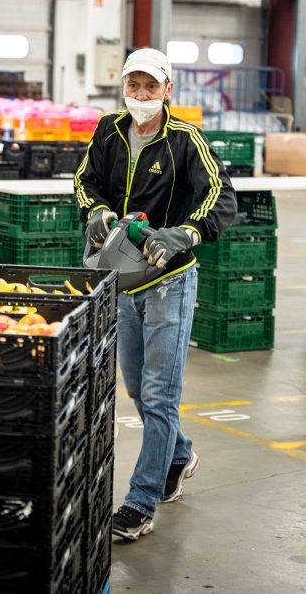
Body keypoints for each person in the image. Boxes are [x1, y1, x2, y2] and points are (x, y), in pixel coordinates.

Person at [74, 48, 237, 541]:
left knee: (160, 394)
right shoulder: (108, 130)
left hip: (169, 282)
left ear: (168, 89)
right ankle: (181, 454)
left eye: (151, 87)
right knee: (137, 387)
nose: (141, 96)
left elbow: (219, 196)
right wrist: (97, 212)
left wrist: (184, 233)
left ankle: (141, 502)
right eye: (133, 87)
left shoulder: (186, 141)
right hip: (122, 280)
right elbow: (85, 181)